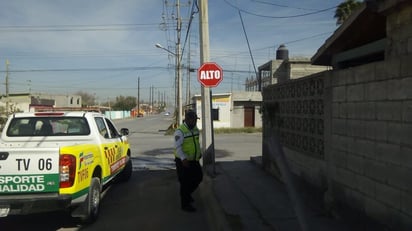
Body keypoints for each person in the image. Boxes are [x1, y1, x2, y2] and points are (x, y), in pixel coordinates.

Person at [174, 110, 203, 212]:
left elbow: (196, 143)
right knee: (185, 182)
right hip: (183, 161)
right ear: (187, 119)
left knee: (199, 177)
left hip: (194, 160)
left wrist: (199, 153)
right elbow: (177, 147)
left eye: (196, 120)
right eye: (193, 120)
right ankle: (185, 204)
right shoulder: (180, 131)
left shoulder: (195, 129)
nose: (195, 122)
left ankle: (187, 194)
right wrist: (183, 159)